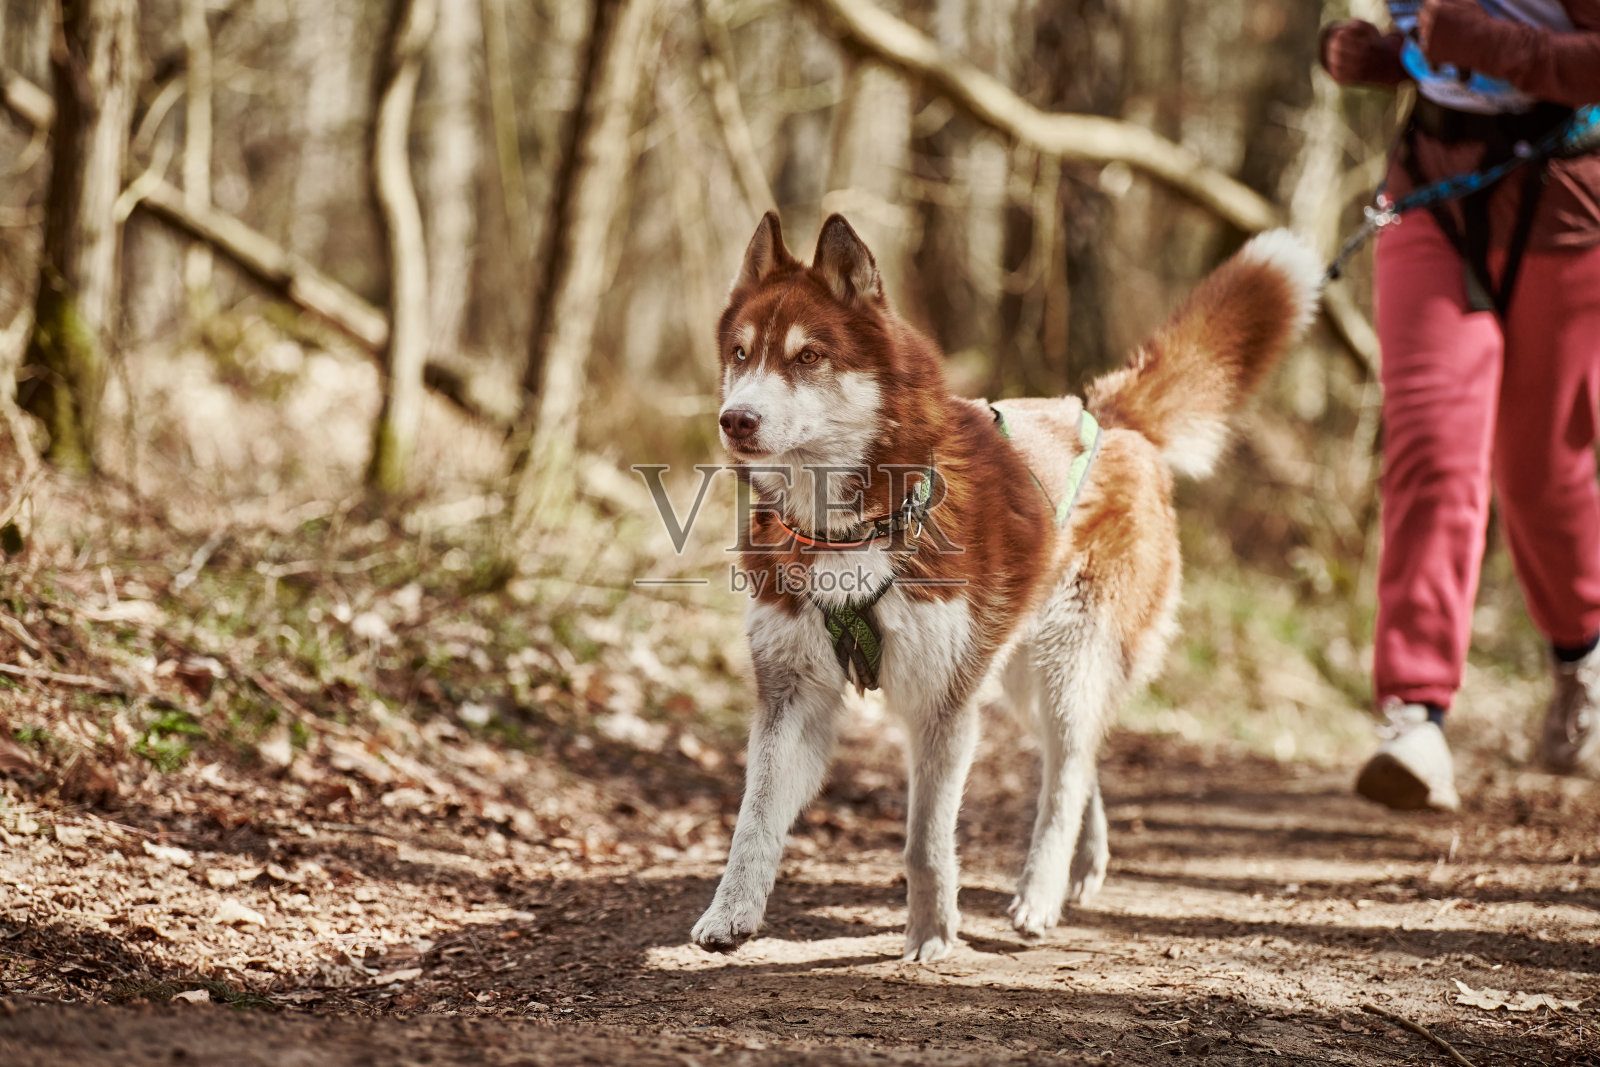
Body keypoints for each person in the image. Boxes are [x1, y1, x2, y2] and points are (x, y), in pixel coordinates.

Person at [1319, 0, 1600, 810]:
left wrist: (1489, 45)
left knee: (1544, 469)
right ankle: (1416, 715)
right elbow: (1425, 34)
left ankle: (1581, 664)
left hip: (1568, 196)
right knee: (1433, 444)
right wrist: (1377, 55)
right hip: (1430, 186)